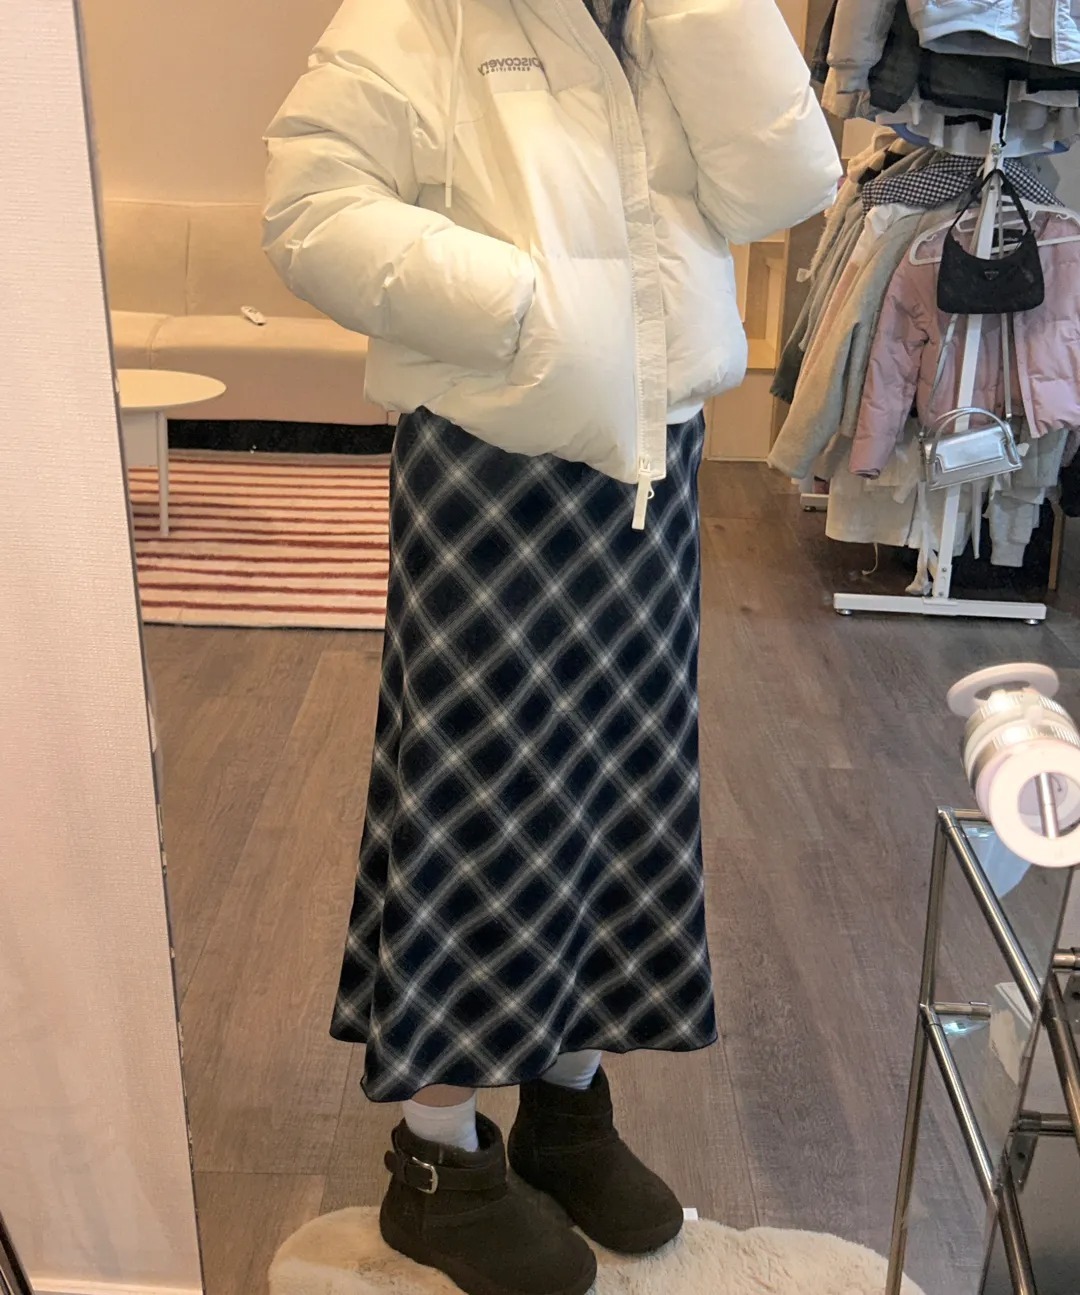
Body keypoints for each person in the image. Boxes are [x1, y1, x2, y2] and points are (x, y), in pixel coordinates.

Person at [264, 2, 839, 1292]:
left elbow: (782, 188)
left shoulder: (674, 15)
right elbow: (309, 207)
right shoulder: (424, 14)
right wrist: (526, 306)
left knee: (624, 794)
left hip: (654, 460)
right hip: (491, 463)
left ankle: (567, 1108)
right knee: (480, 801)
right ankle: (438, 1158)